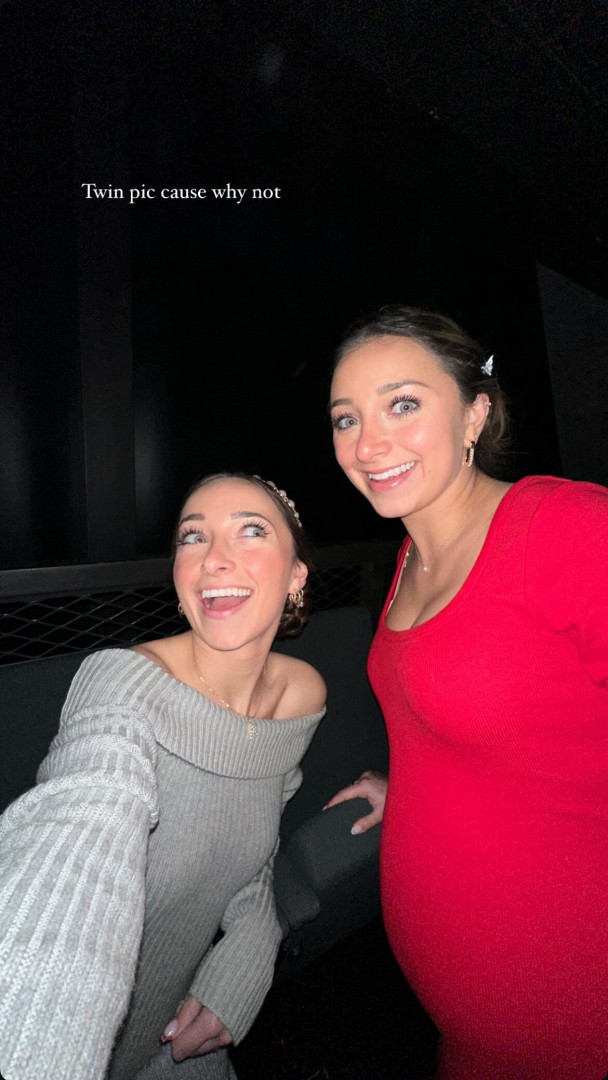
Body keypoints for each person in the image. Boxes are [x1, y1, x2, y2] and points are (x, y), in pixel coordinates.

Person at [325, 306, 608, 1080]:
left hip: (575, 1019)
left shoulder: (563, 528)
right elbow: (483, 716)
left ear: (475, 414)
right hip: (467, 1033)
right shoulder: (408, 557)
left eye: (402, 404)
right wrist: (417, 787)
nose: (368, 443)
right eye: (347, 418)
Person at [0, 472, 326, 1080]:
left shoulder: (300, 696)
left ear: (296, 575)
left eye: (250, 531)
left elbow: (254, 851)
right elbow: (75, 844)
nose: (214, 558)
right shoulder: (121, 686)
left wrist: (249, 954)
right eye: (192, 537)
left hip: (172, 1038)